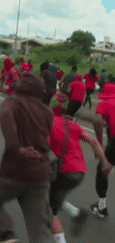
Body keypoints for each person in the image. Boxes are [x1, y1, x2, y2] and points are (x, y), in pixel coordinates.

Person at [0, 73, 55, 243]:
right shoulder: (47, 112)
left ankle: (7, 233)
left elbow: (6, 117)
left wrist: (17, 148)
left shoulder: (12, 103)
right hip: (41, 173)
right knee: (38, 228)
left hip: (14, 170)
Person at [48, 92, 113, 243]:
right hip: (80, 172)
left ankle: (63, 237)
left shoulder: (50, 123)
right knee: (53, 191)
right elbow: (94, 141)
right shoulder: (72, 125)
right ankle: (75, 212)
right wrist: (104, 163)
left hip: (66, 171)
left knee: (50, 210)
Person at [91, 83, 115, 218]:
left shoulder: (104, 104)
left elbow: (97, 121)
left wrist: (99, 145)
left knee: (102, 171)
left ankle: (101, 208)